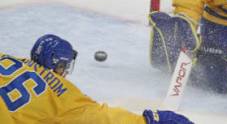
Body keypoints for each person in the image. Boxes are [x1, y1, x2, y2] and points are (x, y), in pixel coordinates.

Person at [0, 34, 192, 124]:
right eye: (63, 67)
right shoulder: (59, 94)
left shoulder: (11, 59)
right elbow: (97, 116)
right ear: (56, 65)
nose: (65, 72)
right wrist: (146, 121)